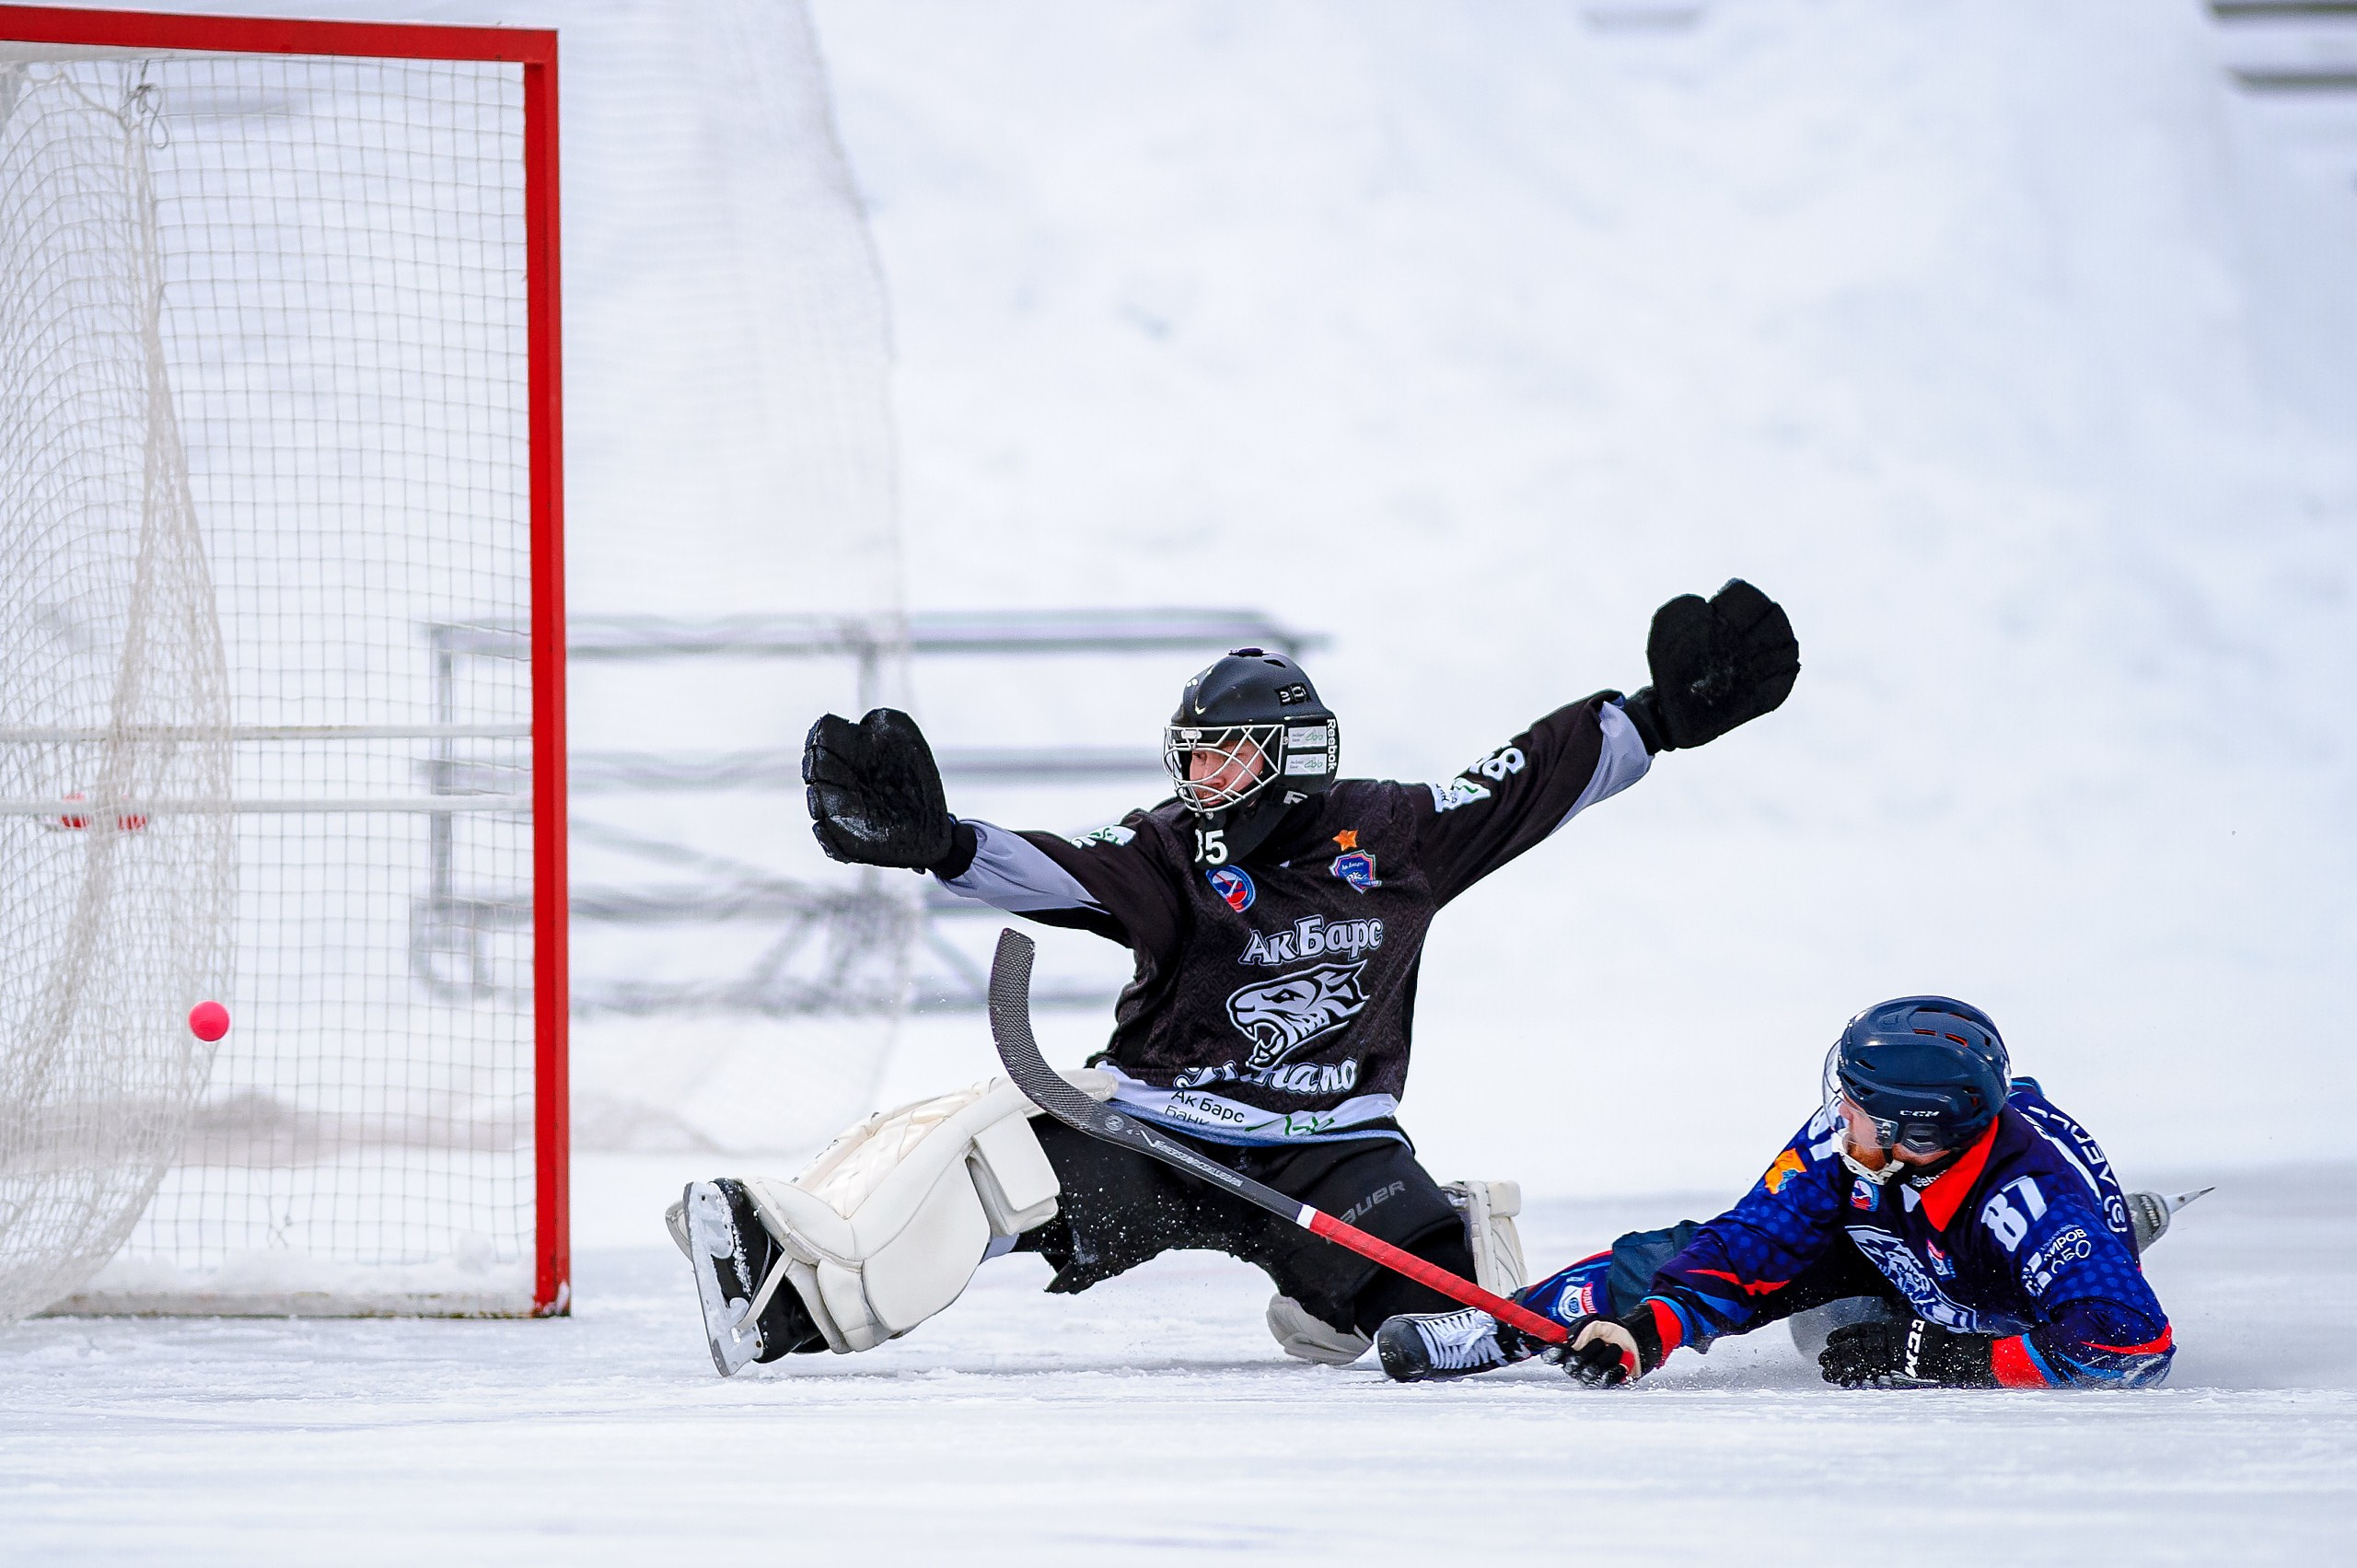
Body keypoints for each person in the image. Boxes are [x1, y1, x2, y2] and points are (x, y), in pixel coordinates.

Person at [674, 581, 1799, 1376]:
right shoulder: (1172, 849)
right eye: (1192, 755)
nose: (1200, 778)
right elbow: (1063, 869)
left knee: (1434, 1312)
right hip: (1164, 1133)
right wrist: (944, 842)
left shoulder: (1396, 833)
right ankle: (786, 1298)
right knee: (995, 1186)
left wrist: (1658, 717)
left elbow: (1529, 780)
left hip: (1335, 1149)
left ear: (1291, 756)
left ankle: (1342, 1291)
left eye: (1224, 755)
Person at [1376, 997, 2179, 1389]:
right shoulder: (1853, 1145)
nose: (1839, 1114)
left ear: (1920, 1133)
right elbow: (1748, 1241)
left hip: (1981, 1291)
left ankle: (2116, 1239)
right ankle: (1503, 1327)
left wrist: (1937, 1356)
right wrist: (1649, 1329)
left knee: (1849, 1331)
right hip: (1890, 1244)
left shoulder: (2036, 1206)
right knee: (1683, 1257)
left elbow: (2129, 1346)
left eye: (1860, 1107)